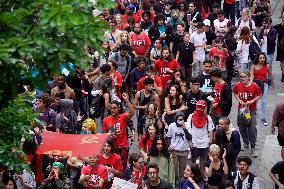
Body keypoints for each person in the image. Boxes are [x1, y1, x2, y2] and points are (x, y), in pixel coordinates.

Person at [232, 71, 261, 158]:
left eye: (244, 77)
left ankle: (253, 146)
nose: (242, 78)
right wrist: (239, 100)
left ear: (248, 77)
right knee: (242, 126)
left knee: (252, 127)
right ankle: (245, 143)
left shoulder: (254, 86)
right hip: (242, 110)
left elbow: (259, 95)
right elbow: (235, 93)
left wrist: (251, 101)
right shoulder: (238, 85)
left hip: (250, 111)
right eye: (241, 77)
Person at [102, 93, 135, 170]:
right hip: (111, 148)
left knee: (122, 168)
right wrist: (110, 137)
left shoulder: (123, 117)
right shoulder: (106, 120)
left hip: (122, 148)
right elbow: (104, 135)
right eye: (111, 108)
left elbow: (132, 112)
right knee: (112, 168)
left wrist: (127, 100)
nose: (112, 110)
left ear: (119, 108)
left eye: (114, 108)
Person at [187, 100, 214, 172]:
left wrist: (210, 142)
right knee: (193, 160)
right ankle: (193, 174)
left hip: (204, 143)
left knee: (203, 161)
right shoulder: (191, 116)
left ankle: (201, 175)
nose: (200, 109)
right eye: (198, 107)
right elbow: (188, 129)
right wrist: (189, 141)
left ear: (205, 108)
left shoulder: (208, 118)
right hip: (194, 143)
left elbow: (210, 130)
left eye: (202, 107)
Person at [250, 52, 275, 126]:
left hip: (264, 84)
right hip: (255, 85)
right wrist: (251, 84)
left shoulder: (267, 66)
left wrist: (273, 84)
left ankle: (263, 117)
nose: (262, 59)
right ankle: (253, 116)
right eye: (260, 58)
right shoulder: (253, 65)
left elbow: (270, 75)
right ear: (258, 58)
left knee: (263, 102)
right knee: (254, 101)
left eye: (263, 58)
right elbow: (251, 75)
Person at [166, 112, 192, 182]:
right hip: (174, 150)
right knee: (174, 168)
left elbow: (189, 138)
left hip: (184, 151)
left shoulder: (187, 125)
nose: (180, 121)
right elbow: (168, 137)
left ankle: (181, 182)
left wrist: (185, 129)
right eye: (179, 119)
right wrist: (169, 144)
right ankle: (174, 181)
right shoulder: (172, 126)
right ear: (176, 119)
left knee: (182, 169)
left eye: (182, 119)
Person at [273, 16, 284, 82]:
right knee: (282, 61)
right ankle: (283, 75)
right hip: (281, 47)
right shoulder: (278, 26)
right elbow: (271, 30)